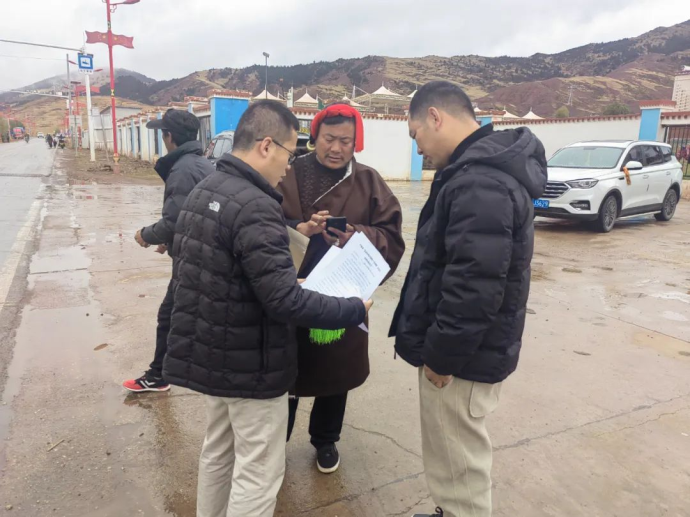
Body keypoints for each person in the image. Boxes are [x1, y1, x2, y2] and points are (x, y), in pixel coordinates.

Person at [163, 100, 372, 517]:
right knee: (259, 472)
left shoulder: (206, 188)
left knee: (219, 453)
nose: (288, 167)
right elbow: (283, 301)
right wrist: (352, 309)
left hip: (214, 356)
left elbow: (222, 274)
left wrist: (290, 275)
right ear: (265, 146)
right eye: (289, 154)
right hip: (251, 366)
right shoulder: (257, 205)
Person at [390, 81, 547, 517]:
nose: (418, 148)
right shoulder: (476, 173)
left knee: (460, 466)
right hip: (466, 354)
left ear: (435, 117)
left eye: (416, 134)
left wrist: (442, 358)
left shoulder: (480, 181)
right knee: (451, 459)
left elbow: (474, 286)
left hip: (461, 361)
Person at [278, 103, 405, 474]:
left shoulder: (369, 181)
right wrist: (299, 229)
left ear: (356, 143)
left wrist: (356, 235)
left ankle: (325, 440)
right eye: (329, 139)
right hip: (291, 289)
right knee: (286, 372)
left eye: (345, 141)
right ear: (314, 137)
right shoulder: (288, 172)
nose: (336, 148)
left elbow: (392, 235)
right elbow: (262, 221)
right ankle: (275, 443)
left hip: (343, 293)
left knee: (335, 373)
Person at [122, 108, 214, 393]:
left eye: (163, 134)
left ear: (169, 136)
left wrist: (146, 235)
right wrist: (170, 240)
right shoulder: (199, 163)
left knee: (172, 317)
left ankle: (159, 375)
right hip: (197, 252)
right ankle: (161, 374)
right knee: (178, 317)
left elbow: (175, 219)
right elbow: (194, 214)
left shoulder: (182, 169)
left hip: (194, 260)